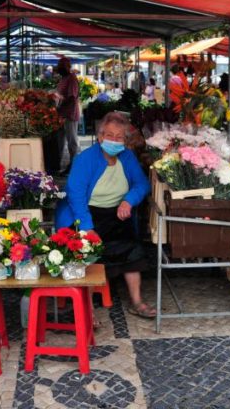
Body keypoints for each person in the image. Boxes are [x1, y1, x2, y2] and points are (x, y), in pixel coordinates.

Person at [55, 112, 155, 319]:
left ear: (125, 140)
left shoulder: (127, 157)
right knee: (88, 253)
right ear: (100, 137)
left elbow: (142, 184)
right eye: (109, 135)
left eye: (119, 137)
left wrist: (129, 200)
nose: (114, 140)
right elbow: (76, 194)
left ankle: (137, 302)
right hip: (85, 213)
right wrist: (87, 227)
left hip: (116, 213)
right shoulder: (85, 159)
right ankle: (87, 310)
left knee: (133, 249)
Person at [54, 57, 80, 174]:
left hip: (70, 114)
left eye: (62, 68)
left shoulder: (72, 78)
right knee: (61, 141)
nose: (59, 70)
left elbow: (72, 96)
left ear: (67, 68)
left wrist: (60, 101)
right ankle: (59, 164)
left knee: (72, 141)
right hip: (61, 114)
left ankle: (74, 165)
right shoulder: (63, 79)